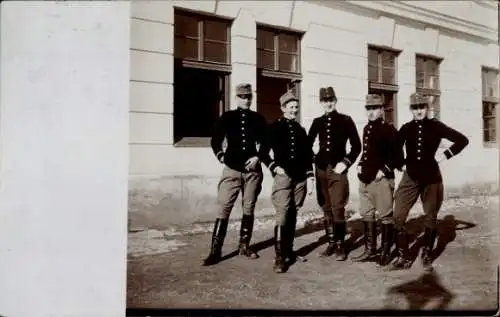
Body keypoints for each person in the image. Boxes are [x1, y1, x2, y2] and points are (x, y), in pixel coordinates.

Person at [389, 93, 469, 271]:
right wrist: (400, 163)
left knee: (430, 217)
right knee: (398, 215)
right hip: (410, 177)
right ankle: (403, 257)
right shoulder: (406, 128)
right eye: (415, 108)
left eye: (422, 107)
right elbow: (394, 146)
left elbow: (463, 140)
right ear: (411, 109)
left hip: (432, 178)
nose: (419, 111)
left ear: (427, 108)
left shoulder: (436, 126)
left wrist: (445, 155)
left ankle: (426, 255)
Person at [203, 83, 268, 266]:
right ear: (236, 98)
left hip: (252, 171)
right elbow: (216, 140)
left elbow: (266, 143)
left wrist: (258, 157)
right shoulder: (227, 117)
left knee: (249, 207)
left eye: (248, 97)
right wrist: (221, 156)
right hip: (232, 169)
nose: (246, 100)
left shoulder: (258, 119)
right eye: (242, 96)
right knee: (224, 206)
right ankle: (215, 252)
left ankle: (244, 246)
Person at [261, 90, 315, 273]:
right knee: (282, 214)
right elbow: (263, 153)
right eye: (291, 107)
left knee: (293, 213)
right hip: (283, 177)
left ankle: (289, 251)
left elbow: (308, 155)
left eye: (296, 107)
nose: (294, 110)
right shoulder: (273, 127)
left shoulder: (301, 130)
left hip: (300, 179)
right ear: (283, 108)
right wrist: (274, 167)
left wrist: (310, 176)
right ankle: (279, 257)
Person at [308, 86, 361, 261]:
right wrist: (315, 159)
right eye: (325, 100)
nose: (328, 103)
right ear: (320, 103)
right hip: (321, 170)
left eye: (331, 100)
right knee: (326, 207)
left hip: (338, 170)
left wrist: (345, 163)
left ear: (335, 101)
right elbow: (307, 146)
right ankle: (331, 243)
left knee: (338, 207)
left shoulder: (346, 120)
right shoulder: (317, 122)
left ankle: (340, 245)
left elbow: (356, 146)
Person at [351, 94, 402, 265]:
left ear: (382, 110)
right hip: (365, 179)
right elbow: (368, 153)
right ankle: (370, 250)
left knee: (385, 216)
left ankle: (386, 252)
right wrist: (360, 164)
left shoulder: (389, 130)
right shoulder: (367, 128)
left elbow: (398, 157)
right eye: (368, 109)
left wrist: (384, 170)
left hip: (381, 180)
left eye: (374, 108)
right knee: (367, 214)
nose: (371, 112)